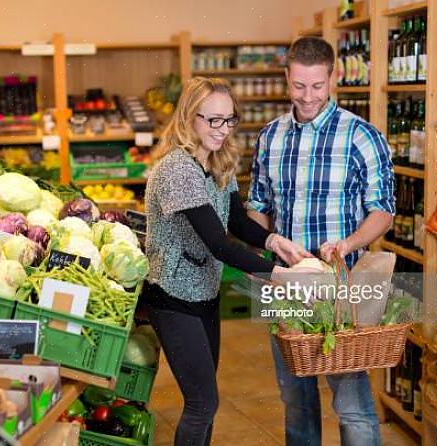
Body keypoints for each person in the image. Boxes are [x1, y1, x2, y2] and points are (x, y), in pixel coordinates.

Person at [142, 76, 321, 446]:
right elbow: (218, 242)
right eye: (213, 120)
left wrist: (275, 241)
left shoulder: (217, 162)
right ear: (189, 117)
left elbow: (236, 221)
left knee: (206, 402)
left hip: (204, 294)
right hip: (172, 297)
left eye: (229, 120)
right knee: (202, 403)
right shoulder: (178, 169)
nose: (222, 130)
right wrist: (278, 275)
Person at [247, 36, 395, 446]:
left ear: (333, 78)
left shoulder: (361, 136)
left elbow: (383, 210)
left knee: (351, 405)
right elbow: (257, 204)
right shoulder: (270, 137)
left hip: (341, 284)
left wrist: (348, 243)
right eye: (298, 86)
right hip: (286, 286)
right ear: (286, 78)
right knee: (296, 398)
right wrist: (270, 244)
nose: (307, 96)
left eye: (316, 86)